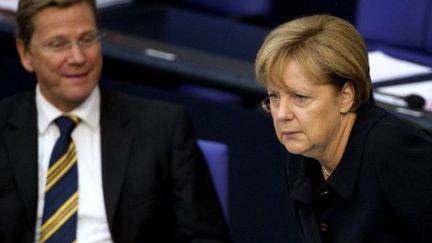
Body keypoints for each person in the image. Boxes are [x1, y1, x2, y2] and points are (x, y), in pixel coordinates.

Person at [0, 0, 230, 242]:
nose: (78, 57)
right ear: (25, 54)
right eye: (58, 45)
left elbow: (206, 237)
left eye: (87, 39)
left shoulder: (162, 128)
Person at [255, 14, 432, 243]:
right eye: (274, 97)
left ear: (346, 96)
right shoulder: (301, 155)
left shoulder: (392, 150)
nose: (281, 115)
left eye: (300, 97)